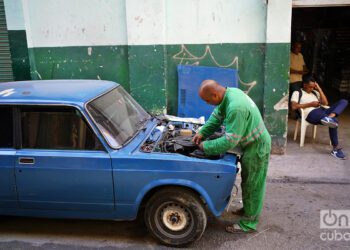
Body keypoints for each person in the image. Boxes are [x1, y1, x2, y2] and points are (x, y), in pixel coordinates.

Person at [192, 79, 271, 233]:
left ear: (214, 95)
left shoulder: (236, 107)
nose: (208, 104)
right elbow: (216, 117)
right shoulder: (229, 93)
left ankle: (249, 223)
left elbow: (230, 140)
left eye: (208, 101)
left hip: (257, 147)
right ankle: (249, 210)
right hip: (250, 144)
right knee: (247, 182)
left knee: (253, 185)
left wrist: (205, 146)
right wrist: (202, 132)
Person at [290, 75, 348, 160]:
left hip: (322, 111)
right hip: (310, 114)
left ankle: (330, 117)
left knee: (344, 101)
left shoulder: (315, 92)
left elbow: (325, 103)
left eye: (313, 87)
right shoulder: (297, 93)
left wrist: (319, 89)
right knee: (334, 122)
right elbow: (294, 107)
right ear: (305, 85)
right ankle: (335, 149)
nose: (312, 89)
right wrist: (310, 104)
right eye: (310, 87)